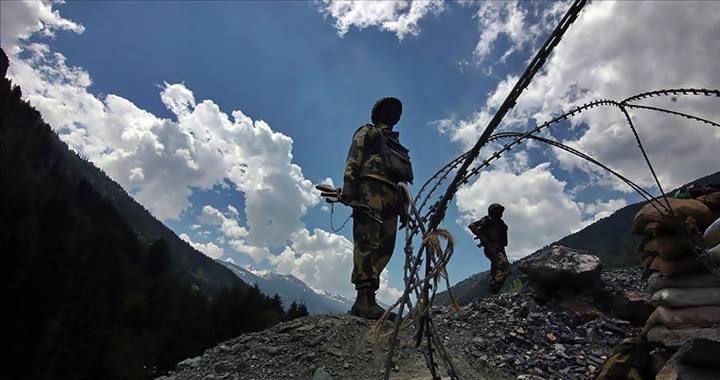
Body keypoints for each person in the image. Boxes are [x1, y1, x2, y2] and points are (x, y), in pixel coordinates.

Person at [342, 97, 412, 319]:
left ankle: (370, 297)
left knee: (385, 247)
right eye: (389, 108)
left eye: (397, 111)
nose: (395, 112)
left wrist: (404, 209)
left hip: (393, 197)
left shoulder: (399, 146)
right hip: (369, 189)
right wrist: (349, 187)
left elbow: (404, 182)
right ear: (378, 113)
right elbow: (354, 156)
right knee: (367, 241)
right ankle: (363, 299)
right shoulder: (368, 131)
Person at [468, 203, 511, 294]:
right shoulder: (487, 220)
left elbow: (505, 242)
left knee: (496, 271)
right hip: (491, 247)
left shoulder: (502, 225)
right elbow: (472, 226)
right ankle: (494, 289)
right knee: (504, 267)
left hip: (500, 249)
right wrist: (482, 237)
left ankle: (493, 293)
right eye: (497, 211)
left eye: (500, 211)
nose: (500, 213)